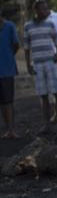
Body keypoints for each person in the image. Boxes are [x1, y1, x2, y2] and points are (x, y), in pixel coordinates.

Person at [24, 0, 57, 134]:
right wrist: (28, 65)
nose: (47, 11)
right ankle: (46, 124)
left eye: (47, 8)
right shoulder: (28, 26)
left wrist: (56, 54)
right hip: (37, 64)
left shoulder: (50, 24)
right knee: (43, 95)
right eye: (43, 9)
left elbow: (56, 40)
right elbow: (26, 47)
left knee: (56, 92)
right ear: (36, 11)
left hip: (50, 62)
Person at [0, 11, 20, 139]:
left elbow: (16, 45)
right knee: (2, 102)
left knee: (8, 101)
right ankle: (8, 129)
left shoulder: (9, 26)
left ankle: (12, 130)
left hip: (7, 69)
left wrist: (8, 57)